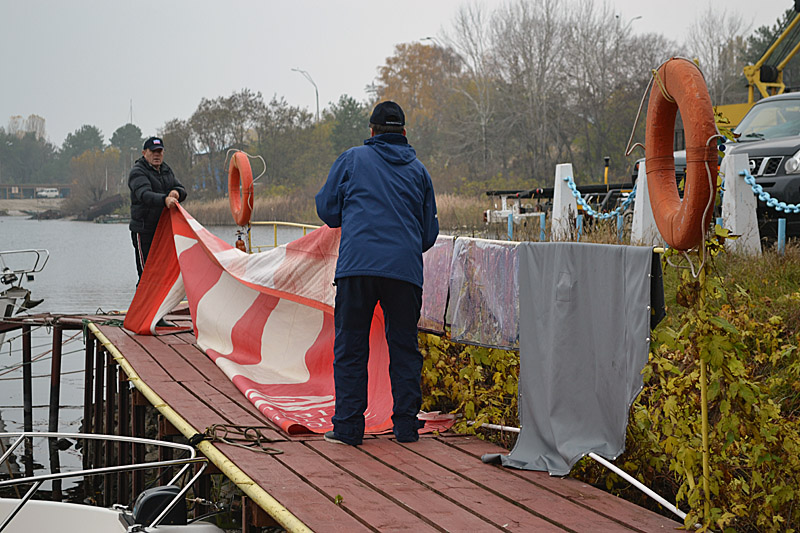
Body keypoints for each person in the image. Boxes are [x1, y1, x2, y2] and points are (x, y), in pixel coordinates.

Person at [315, 101, 439, 446]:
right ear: (404, 132)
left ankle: (348, 429)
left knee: (351, 347)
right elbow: (428, 235)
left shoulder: (352, 160)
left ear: (371, 131)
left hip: (357, 268)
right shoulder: (420, 172)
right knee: (404, 348)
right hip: (404, 272)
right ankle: (406, 428)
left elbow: (328, 211)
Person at [128, 136, 187, 281]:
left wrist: (176, 192)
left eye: (159, 152)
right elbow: (144, 195)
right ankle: (142, 297)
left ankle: (163, 297)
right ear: (144, 153)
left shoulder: (166, 170)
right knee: (147, 275)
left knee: (164, 274)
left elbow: (181, 189)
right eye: (153, 151)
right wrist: (164, 200)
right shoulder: (137, 172)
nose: (156, 155)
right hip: (144, 230)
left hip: (163, 230)